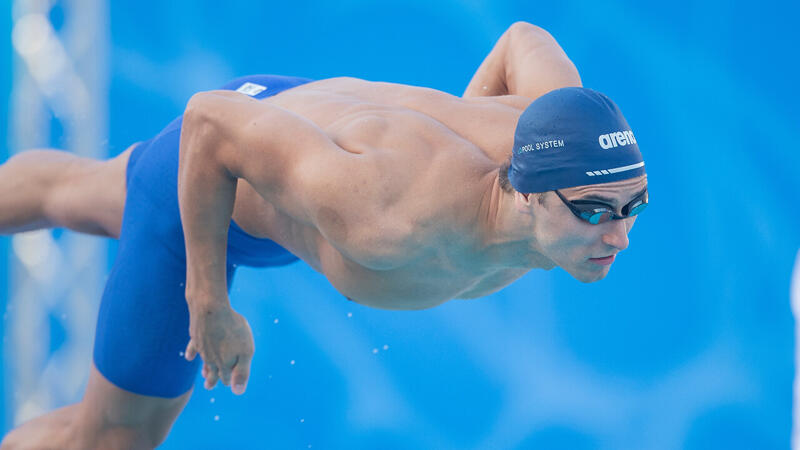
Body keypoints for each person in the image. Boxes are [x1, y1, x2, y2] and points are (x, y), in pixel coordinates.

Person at [0, 21, 647, 449]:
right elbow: (209, 122)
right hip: (216, 173)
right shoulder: (391, 213)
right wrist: (209, 302)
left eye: (634, 206)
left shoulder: (558, 124)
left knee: (79, 191)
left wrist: (459, 118)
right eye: (595, 212)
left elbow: (522, 38)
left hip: (299, 143)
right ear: (529, 194)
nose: (619, 236)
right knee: (111, 439)